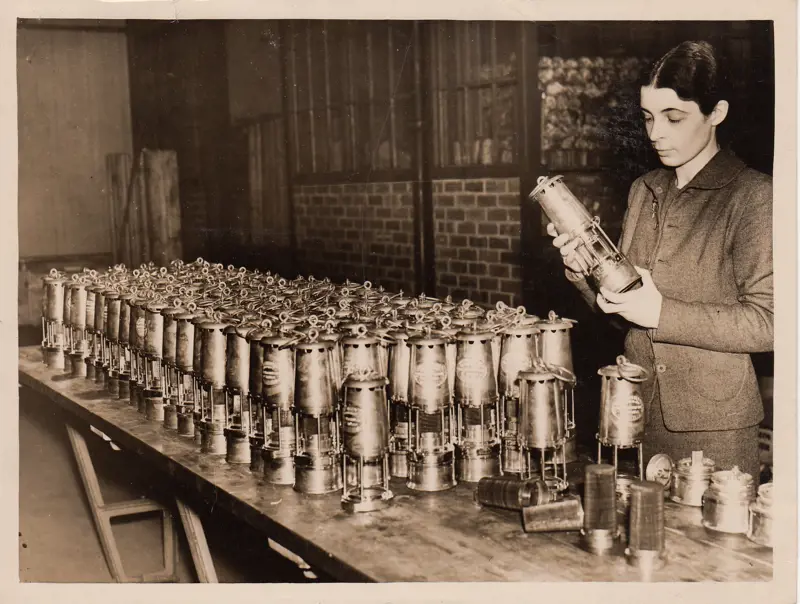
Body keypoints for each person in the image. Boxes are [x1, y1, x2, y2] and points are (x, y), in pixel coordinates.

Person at [547, 40, 773, 480]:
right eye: (648, 118)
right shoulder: (644, 190)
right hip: (633, 411)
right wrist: (583, 274)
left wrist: (660, 312)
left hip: (714, 429)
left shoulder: (754, 197)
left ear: (717, 113)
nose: (655, 134)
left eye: (674, 117)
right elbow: (621, 315)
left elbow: (770, 322)